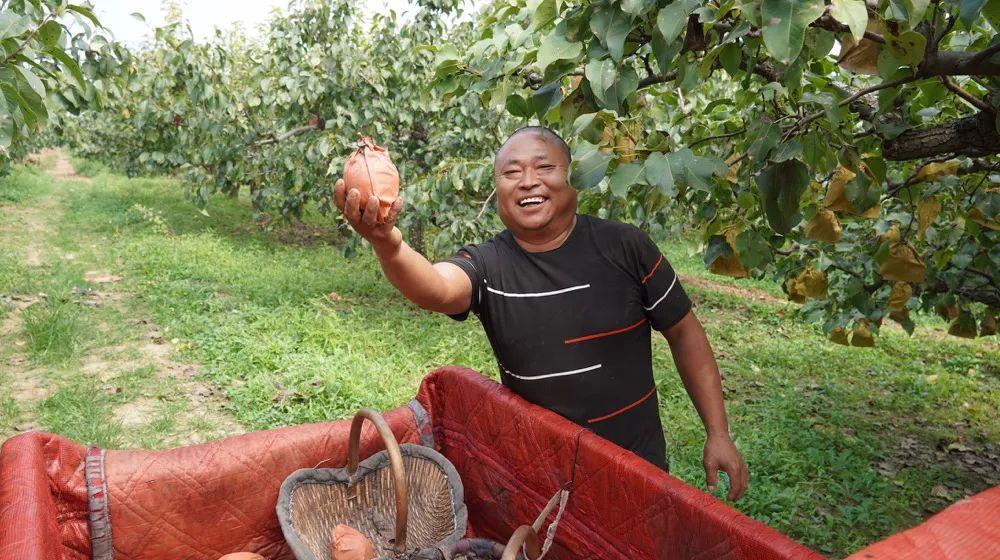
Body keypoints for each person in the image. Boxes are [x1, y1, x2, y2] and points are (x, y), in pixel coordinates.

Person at [333, 126, 749, 501]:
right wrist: (388, 245)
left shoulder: (626, 247)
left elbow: (684, 333)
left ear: (575, 179)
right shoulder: (489, 265)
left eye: (544, 167)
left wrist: (718, 433)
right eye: (511, 173)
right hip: (540, 480)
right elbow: (438, 287)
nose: (528, 181)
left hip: (638, 469)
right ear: (497, 190)